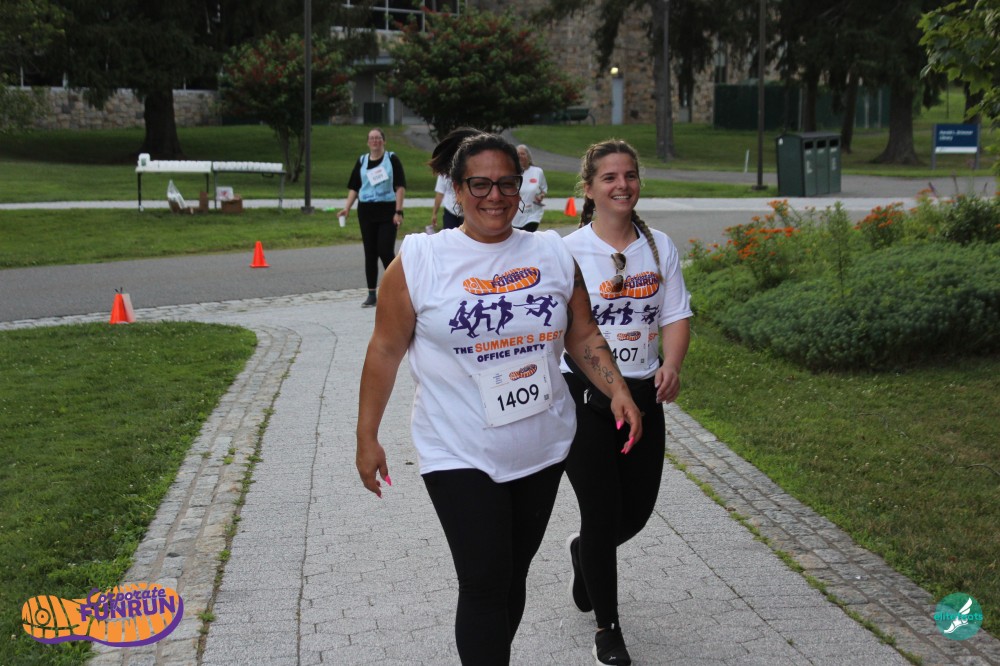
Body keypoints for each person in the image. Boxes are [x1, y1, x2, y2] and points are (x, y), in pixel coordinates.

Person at [355, 132, 644, 665]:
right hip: (457, 448)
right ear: (456, 189)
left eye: (507, 184)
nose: (495, 196)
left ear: (522, 186)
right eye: (480, 184)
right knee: (485, 579)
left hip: (542, 446)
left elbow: (582, 333)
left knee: (512, 573)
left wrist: (618, 389)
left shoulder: (552, 253)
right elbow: (385, 349)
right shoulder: (420, 259)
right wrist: (366, 436)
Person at [560, 139, 692, 665]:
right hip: (585, 396)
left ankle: (584, 554)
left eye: (630, 175)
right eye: (609, 177)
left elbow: (675, 315)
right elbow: (563, 330)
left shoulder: (659, 247)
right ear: (589, 189)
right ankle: (608, 629)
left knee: (634, 515)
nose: (622, 185)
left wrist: (671, 364)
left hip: (643, 393)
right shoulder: (568, 251)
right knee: (600, 511)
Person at [336, 127, 406, 307]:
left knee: (385, 250)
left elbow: (400, 186)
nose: (375, 141)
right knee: (370, 252)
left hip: (387, 211)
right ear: (368, 142)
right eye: (372, 138)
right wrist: (346, 208)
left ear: (384, 141)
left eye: (378, 138)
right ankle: (371, 294)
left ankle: (399, 289)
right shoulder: (362, 161)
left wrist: (398, 211)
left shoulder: (392, 159)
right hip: (366, 211)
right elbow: (354, 187)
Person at [428, 128, 479, 232]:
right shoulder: (445, 173)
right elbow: (440, 193)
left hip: (468, 213)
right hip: (450, 212)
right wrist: (434, 213)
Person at [511, 144, 548, 232]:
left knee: (529, 235)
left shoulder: (537, 171)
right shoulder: (512, 173)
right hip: (516, 215)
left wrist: (541, 196)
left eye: (523, 154)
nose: (520, 156)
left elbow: (543, 189)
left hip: (533, 214)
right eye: (518, 154)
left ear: (528, 156)